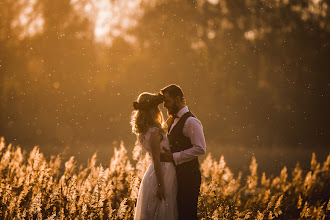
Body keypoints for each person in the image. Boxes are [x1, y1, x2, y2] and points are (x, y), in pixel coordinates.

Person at [160, 84, 206, 220]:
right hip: (177, 175)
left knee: (187, 215)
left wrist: (173, 157)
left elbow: (200, 148)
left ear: (178, 99)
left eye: (167, 101)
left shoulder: (191, 121)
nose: (164, 105)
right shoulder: (173, 120)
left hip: (189, 177)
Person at [131, 92, 178, 220]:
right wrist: (161, 185)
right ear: (153, 109)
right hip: (163, 171)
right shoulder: (154, 132)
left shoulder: (147, 130)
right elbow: (157, 160)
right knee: (164, 209)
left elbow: (164, 127)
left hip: (153, 171)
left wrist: (174, 114)